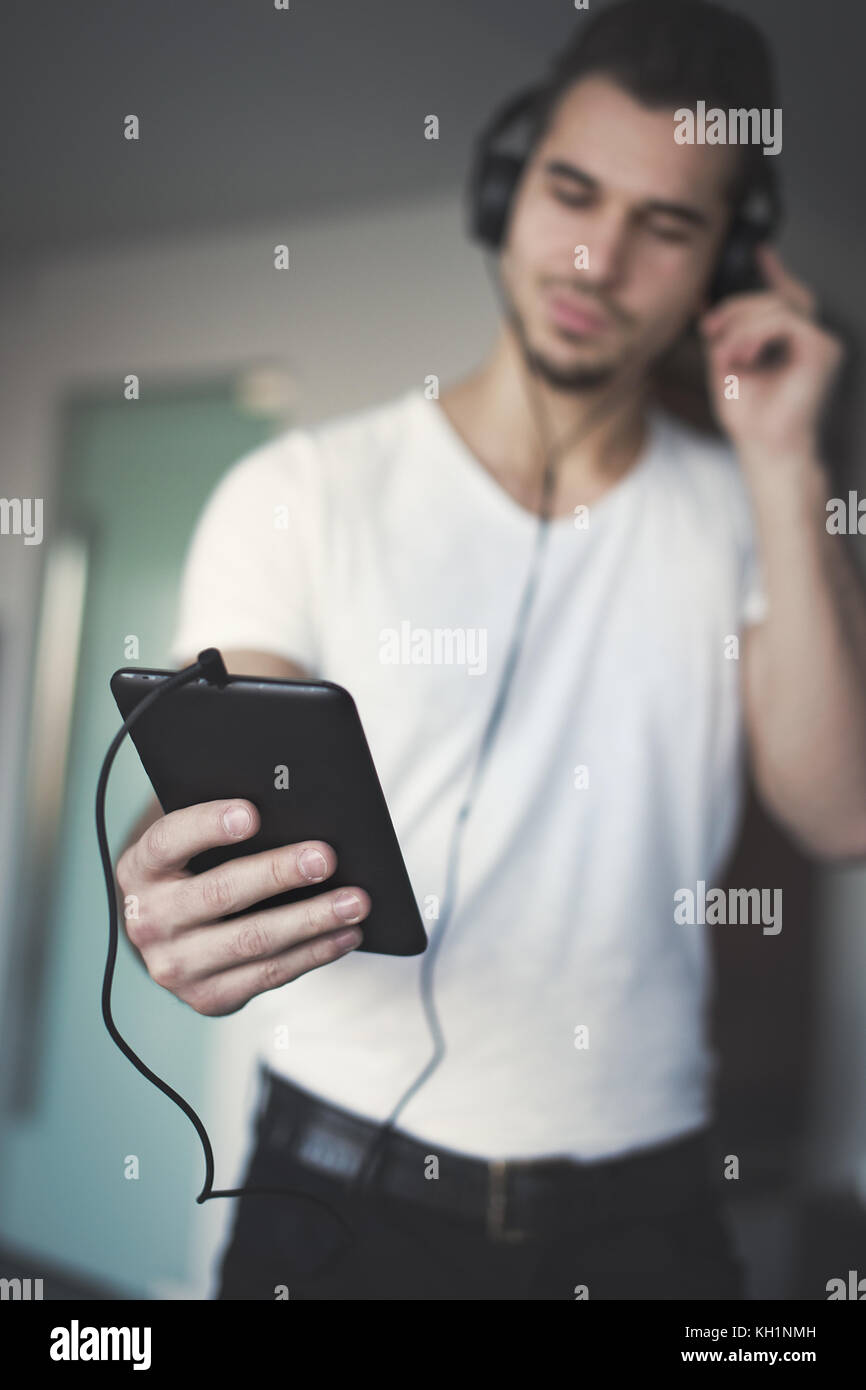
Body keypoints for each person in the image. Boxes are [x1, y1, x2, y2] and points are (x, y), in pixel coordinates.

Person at [115, 0, 866, 1300]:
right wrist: (172, 881)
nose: (597, 258)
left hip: (646, 1202)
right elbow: (221, 760)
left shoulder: (751, 509)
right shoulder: (299, 487)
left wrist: (785, 457)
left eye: (667, 223)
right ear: (507, 188)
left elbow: (842, 810)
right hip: (332, 1183)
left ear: (722, 266)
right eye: (572, 192)